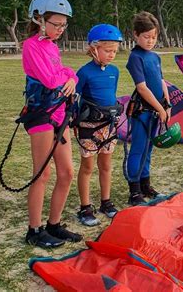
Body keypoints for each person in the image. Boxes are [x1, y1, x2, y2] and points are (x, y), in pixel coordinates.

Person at [22, 0, 82, 248]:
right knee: (42, 173)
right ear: (38, 19)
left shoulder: (52, 46)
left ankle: (53, 225)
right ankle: (34, 230)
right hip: (41, 115)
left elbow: (68, 73)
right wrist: (67, 77)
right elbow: (50, 79)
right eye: (55, 24)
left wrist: (71, 77)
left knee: (67, 172)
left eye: (63, 25)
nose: (60, 29)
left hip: (59, 114)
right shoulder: (31, 45)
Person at [75, 24, 123, 226]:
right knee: (87, 166)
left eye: (114, 51)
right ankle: (85, 207)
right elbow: (74, 98)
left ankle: (106, 202)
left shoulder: (114, 71)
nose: (112, 55)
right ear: (94, 48)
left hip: (108, 126)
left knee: (106, 164)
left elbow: (110, 94)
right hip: (88, 127)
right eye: (108, 50)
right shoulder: (84, 73)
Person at [125, 11, 171, 206]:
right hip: (142, 112)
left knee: (149, 149)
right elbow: (142, 87)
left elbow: (161, 81)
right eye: (146, 37)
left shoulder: (155, 57)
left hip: (157, 110)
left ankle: (146, 185)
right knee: (138, 149)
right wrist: (159, 108)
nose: (150, 41)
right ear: (136, 35)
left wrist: (167, 105)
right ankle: (134, 191)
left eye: (153, 37)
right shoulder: (135, 57)